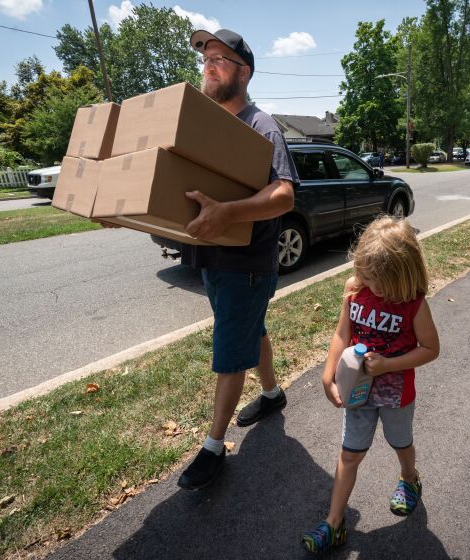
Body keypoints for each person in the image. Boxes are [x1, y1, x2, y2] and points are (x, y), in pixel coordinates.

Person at [173, 28, 299, 491]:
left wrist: (230, 212)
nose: (208, 64)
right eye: (205, 57)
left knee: (230, 351)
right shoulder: (208, 128)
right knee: (252, 327)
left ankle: (212, 447)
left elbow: (284, 194)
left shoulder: (261, 126)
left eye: (220, 58)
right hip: (210, 258)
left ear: (243, 72)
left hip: (245, 263)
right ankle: (271, 394)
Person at [301, 216, 440, 555]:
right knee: (349, 454)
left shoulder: (414, 304)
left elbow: (431, 349)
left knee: (400, 442)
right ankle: (334, 523)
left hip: (396, 396)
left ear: (401, 275)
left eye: (378, 281)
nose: (369, 284)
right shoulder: (355, 289)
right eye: (365, 275)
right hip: (358, 392)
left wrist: (389, 364)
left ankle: (410, 478)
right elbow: (342, 333)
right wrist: (327, 373)